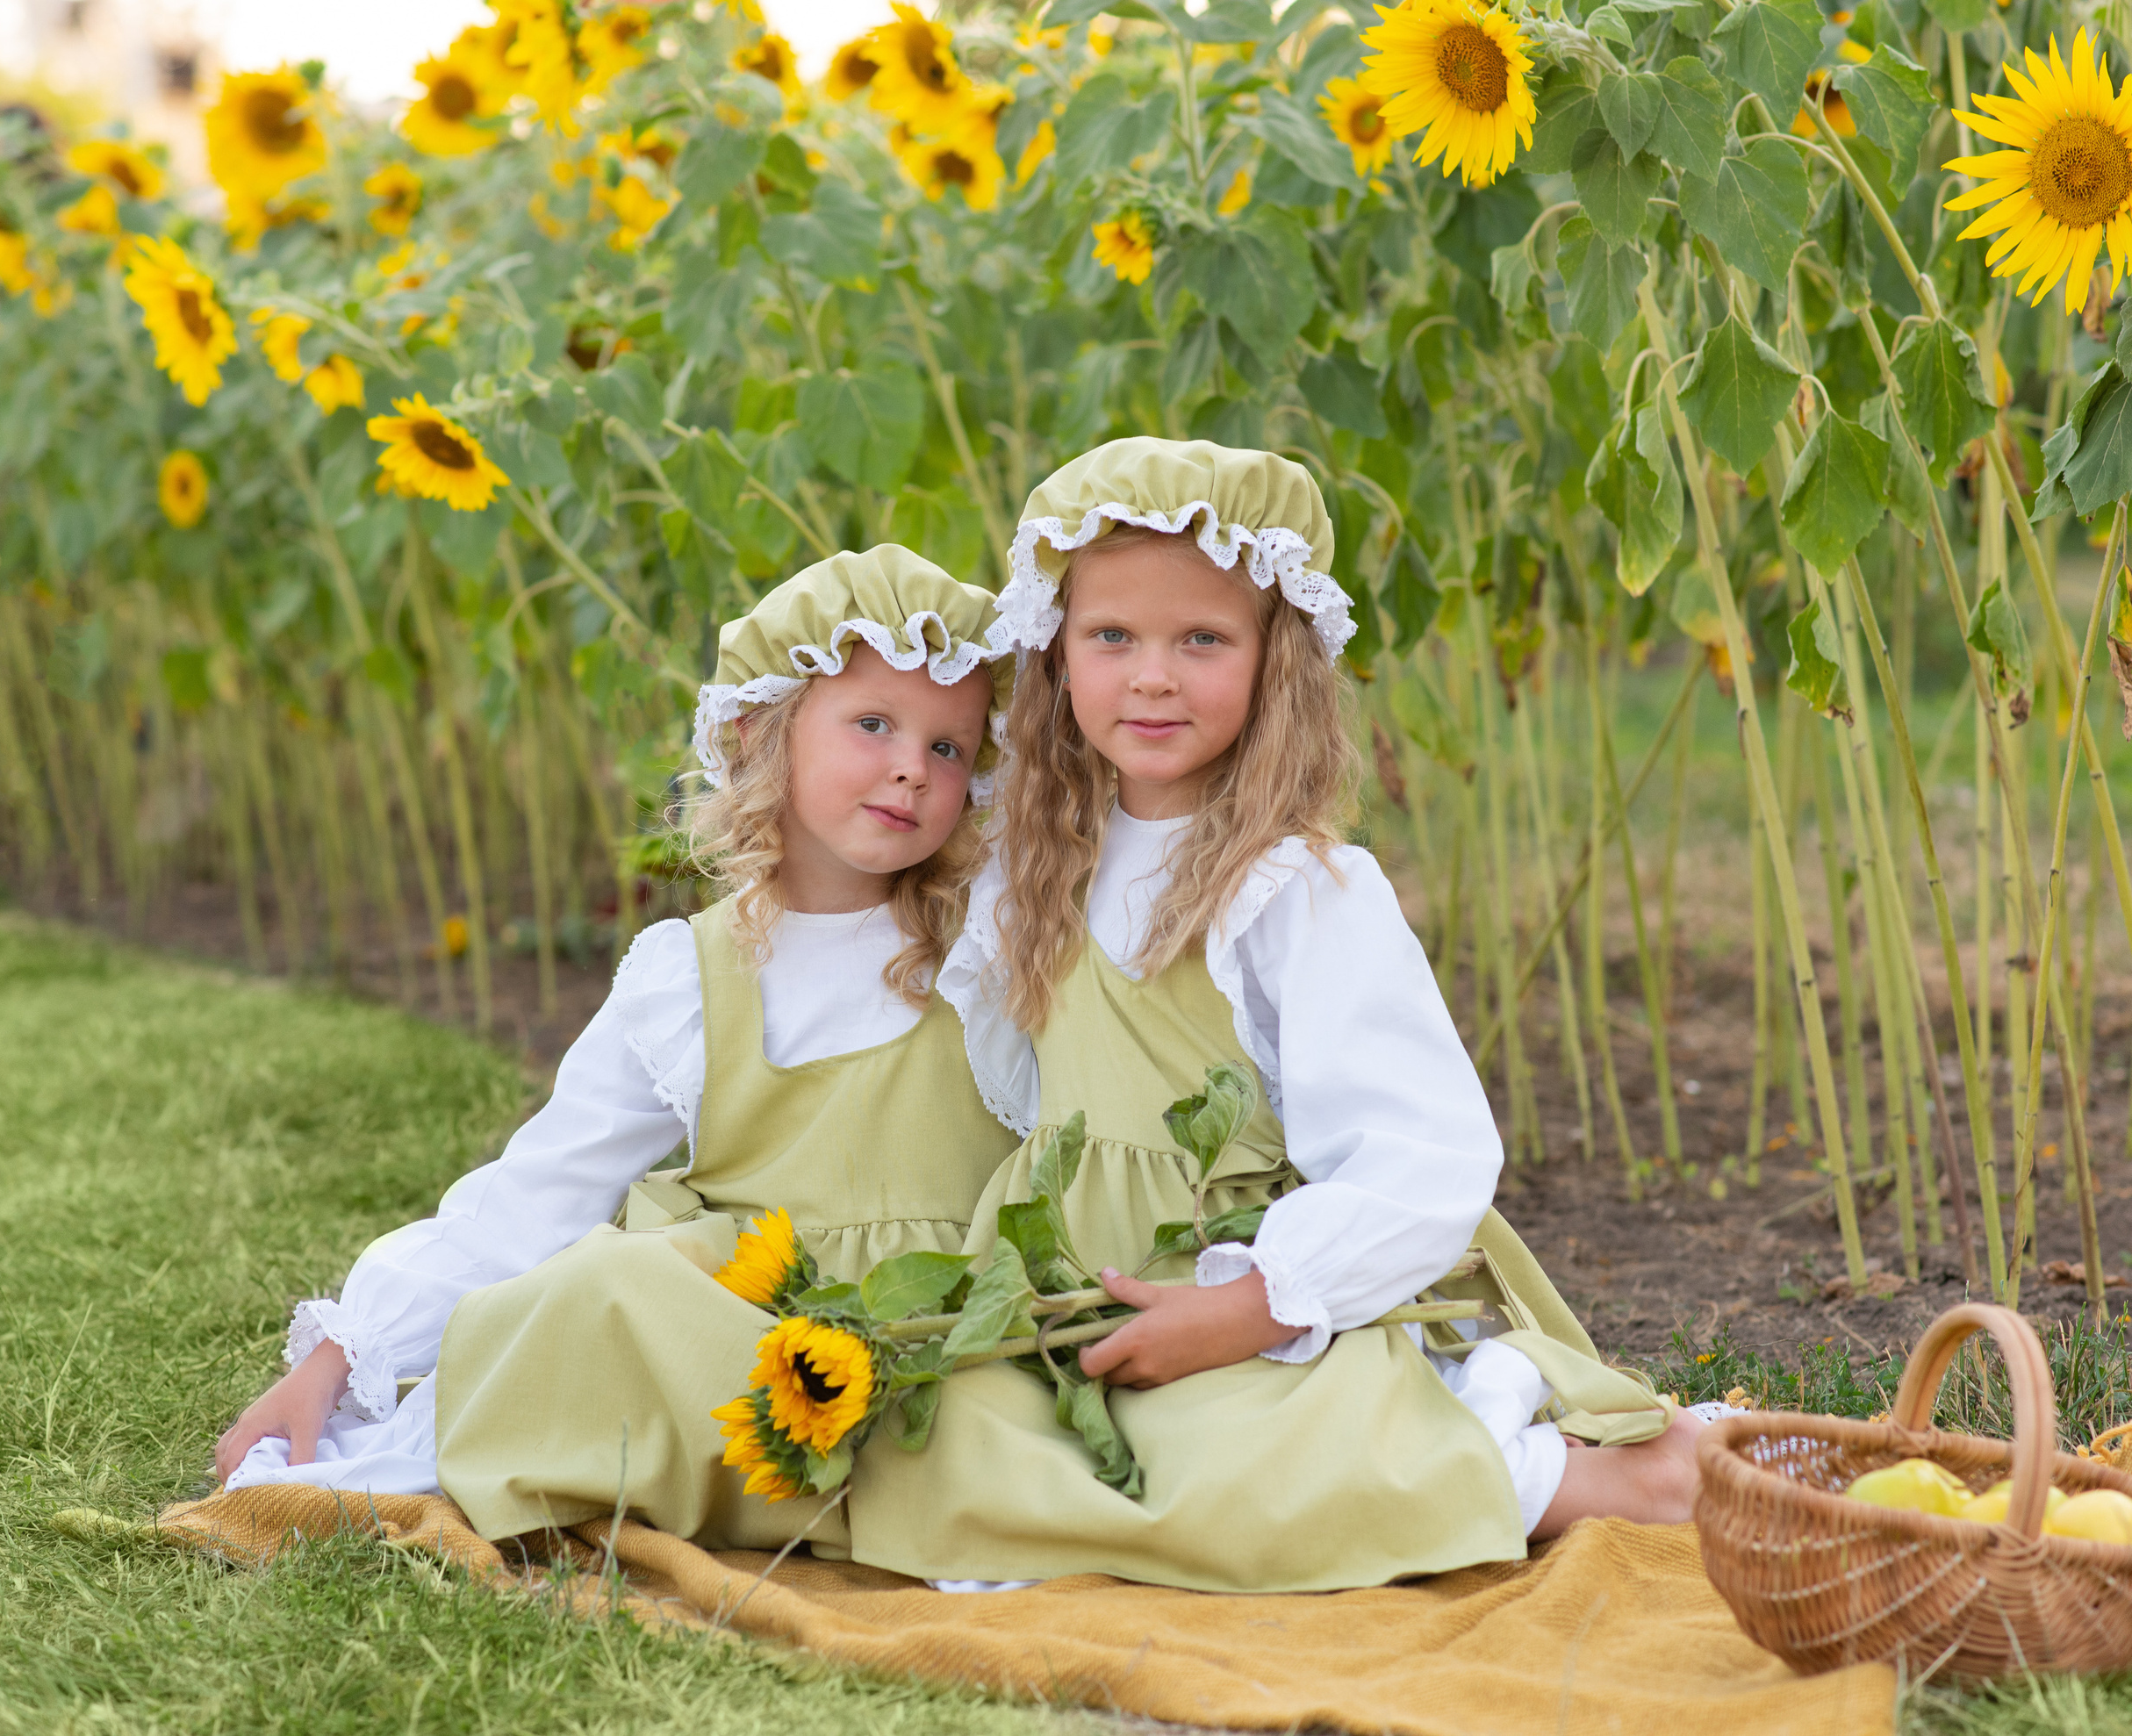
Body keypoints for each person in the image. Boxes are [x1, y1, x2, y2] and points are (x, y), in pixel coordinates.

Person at [849, 439, 1705, 1594]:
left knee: (1227, 1471)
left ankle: (1562, 1476)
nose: (1152, 677)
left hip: (1253, 1280)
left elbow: (1424, 1154)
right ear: (1053, 656)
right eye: (1112, 638)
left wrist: (1250, 1304)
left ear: (1275, 661)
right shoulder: (1039, 856)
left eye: (1201, 639)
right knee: (943, 1450)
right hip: (1076, 1282)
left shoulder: (1295, 890)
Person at [215, 547, 1021, 1559]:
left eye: (950, 750)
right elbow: (541, 1189)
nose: (913, 766)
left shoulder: (984, 949)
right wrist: (340, 1353)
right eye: (873, 725)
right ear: (760, 730)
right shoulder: (691, 976)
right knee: (604, 1289)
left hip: (941, 1334)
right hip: (755, 1366)